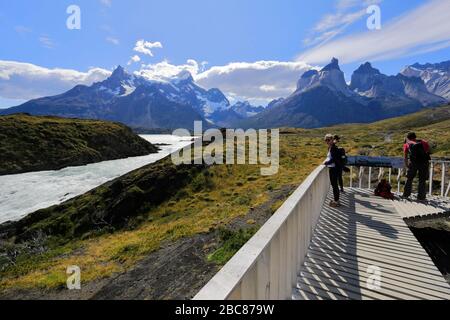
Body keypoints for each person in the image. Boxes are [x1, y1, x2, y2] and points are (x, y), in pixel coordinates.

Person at [402, 132, 431, 201]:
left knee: (409, 179)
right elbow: (428, 151)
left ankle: (406, 195)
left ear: (408, 138)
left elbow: (405, 156)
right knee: (422, 180)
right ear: (415, 137)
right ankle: (421, 197)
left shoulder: (407, 144)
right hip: (424, 163)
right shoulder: (423, 142)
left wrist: (406, 164)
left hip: (413, 163)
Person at [323, 134, 341, 207]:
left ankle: (336, 201)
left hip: (334, 169)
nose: (327, 141)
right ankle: (336, 200)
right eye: (326, 140)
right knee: (334, 185)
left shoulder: (333, 148)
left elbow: (333, 159)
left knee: (334, 185)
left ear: (331, 140)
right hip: (333, 168)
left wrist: (326, 163)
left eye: (328, 140)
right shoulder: (331, 147)